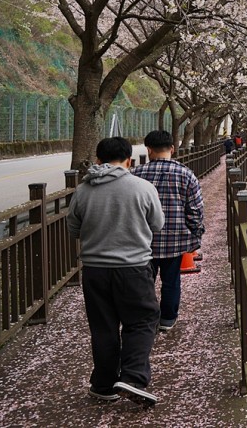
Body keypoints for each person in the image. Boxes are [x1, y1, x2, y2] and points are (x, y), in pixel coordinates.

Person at [67, 136, 163, 407]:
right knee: (142, 320)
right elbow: (157, 224)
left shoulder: (82, 191)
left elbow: (73, 228)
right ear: (129, 160)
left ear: (98, 160)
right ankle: (132, 378)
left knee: (103, 327)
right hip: (133, 267)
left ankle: (103, 384)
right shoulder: (142, 187)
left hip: (95, 270)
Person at [133, 130, 205, 334]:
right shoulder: (185, 174)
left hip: (142, 239)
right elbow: (195, 210)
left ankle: (146, 319)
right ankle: (167, 319)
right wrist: (195, 233)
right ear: (172, 148)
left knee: (144, 282)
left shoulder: (136, 174)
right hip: (174, 241)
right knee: (171, 281)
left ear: (149, 150)